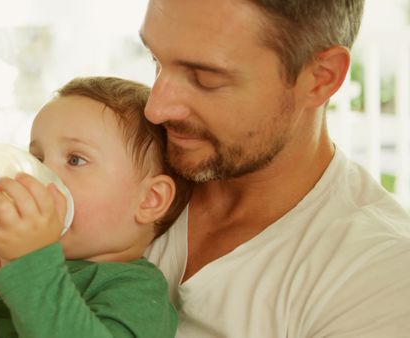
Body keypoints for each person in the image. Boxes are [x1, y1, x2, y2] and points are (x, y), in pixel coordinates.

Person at [139, 0, 410, 337]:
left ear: (320, 79)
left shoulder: (378, 275)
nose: (156, 109)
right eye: (156, 61)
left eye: (205, 79)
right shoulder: (115, 162)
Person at [0, 76, 193, 338]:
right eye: (37, 158)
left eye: (75, 159)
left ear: (150, 200)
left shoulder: (136, 292)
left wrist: (31, 267)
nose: (41, 177)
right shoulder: (12, 262)